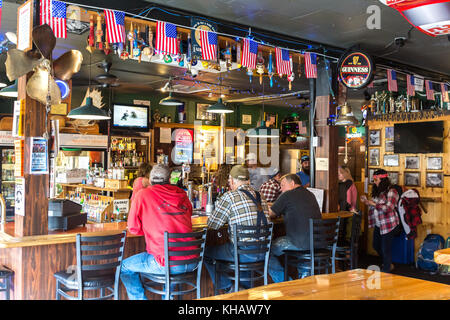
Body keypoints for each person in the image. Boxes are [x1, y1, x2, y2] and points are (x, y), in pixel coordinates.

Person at [120, 164, 198, 300]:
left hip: (166, 262)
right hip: (193, 260)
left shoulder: (143, 195)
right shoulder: (182, 194)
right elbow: (188, 215)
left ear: (150, 180)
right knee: (170, 262)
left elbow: (133, 228)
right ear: (169, 180)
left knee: (124, 267)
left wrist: (149, 225)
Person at [205, 165, 270, 292]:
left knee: (206, 253)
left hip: (243, 253)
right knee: (242, 249)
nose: (229, 184)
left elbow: (212, 224)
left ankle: (228, 287)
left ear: (233, 180)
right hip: (263, 252)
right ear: (247, 180)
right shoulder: (260, 196)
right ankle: (244, 290)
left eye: (229, 182)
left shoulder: (230, 196)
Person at [268, 174, 322, 282]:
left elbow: (270, 214)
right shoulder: (310, 194)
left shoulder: (287, 195)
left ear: (292, 183)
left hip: (299, 242)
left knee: (265, 250)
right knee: (302, 242)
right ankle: (304, 275)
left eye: (283, 185)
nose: (281, 188)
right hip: (317, 241)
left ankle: (284, 281)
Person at [360, 169, 401, 273]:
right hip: (379, 223)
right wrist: (367, 201)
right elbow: (377, 204)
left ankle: (386, 269)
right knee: (376, 245)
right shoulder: (378, 190)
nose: (374, 182)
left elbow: (389, 208)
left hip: (389, 224)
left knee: (385, 248)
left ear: (383, 179)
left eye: (376, 179)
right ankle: (388, 263)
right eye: (373, 179)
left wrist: (373, 204)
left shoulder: (392, 191)